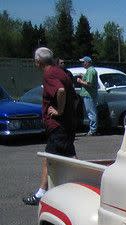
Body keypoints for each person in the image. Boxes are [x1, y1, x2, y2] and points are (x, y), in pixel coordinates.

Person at [23, 47, 77, 206]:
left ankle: (41, 193)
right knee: (69, 158)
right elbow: (71, 95)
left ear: (38, 61)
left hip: (59, 126)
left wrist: (59, 110)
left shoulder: (49, 73)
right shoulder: (59, 71)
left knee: (49, 159)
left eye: (35, 59)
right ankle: (78, 189)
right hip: (65, 126)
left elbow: (60, 91)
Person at [75, 56, 99, 135]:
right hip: (90, 94)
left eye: (83, 62)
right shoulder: (90, 71)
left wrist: (80, 81)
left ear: (88, 62)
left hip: (89, 95)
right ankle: (92, 129)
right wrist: (83, 76)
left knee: (91, 113)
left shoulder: (90, 71)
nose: (82, 64)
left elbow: (89, 84)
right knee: (91, 112)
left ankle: (93, 130)